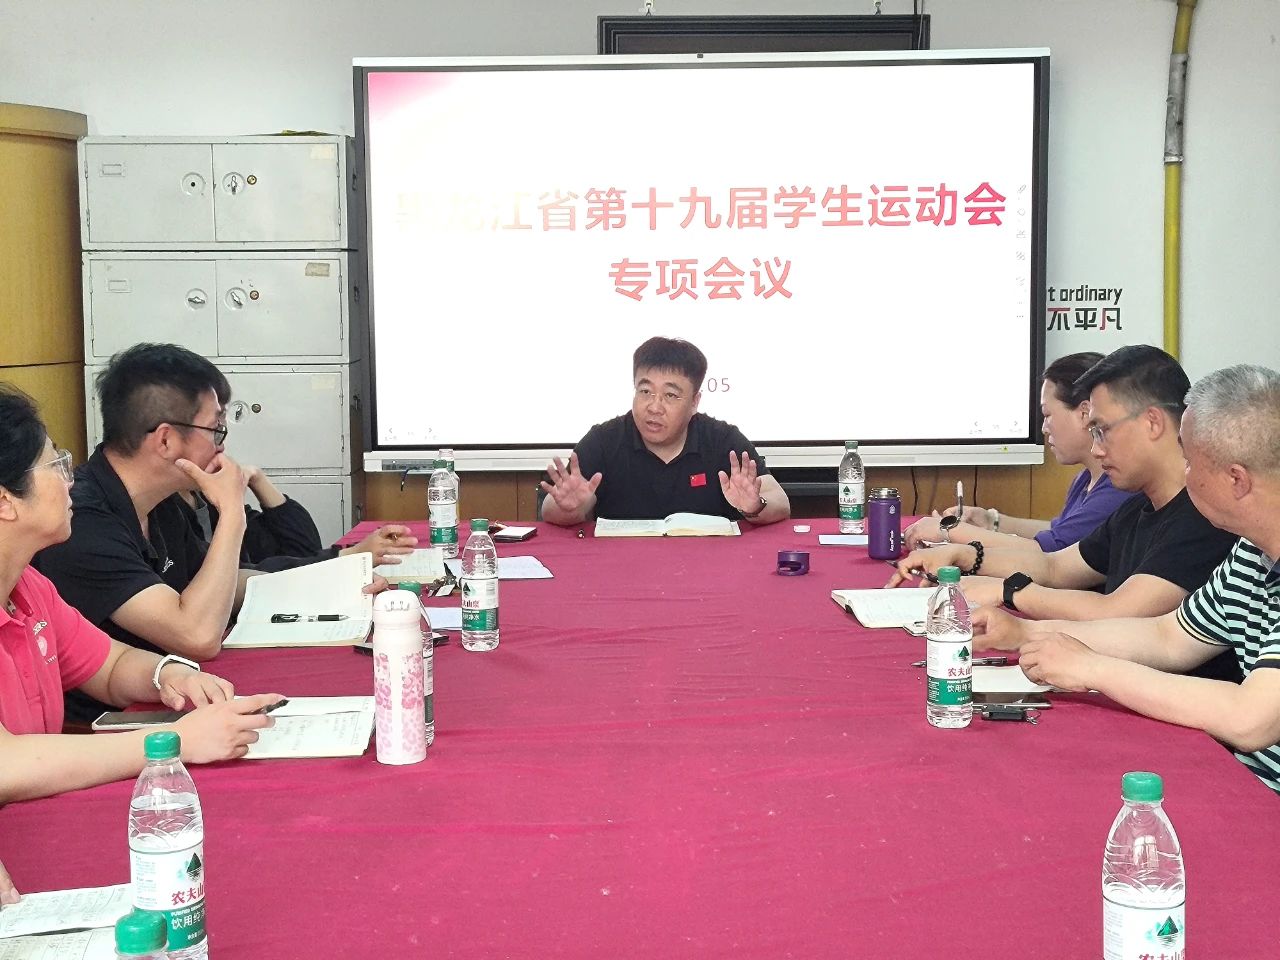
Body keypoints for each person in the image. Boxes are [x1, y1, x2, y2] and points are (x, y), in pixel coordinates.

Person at [972, 365, 1280, 795]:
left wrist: (1091, 668)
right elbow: (1167, 636)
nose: (1184, 474)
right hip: (1241, 779)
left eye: (1191, 462)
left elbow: (1250, 719)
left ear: (1237, 480)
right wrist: (1027, 634)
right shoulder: (1252, 552)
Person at [0, 383, 282, 805]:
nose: (70, 480)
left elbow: (110, 666)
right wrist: (175, 740)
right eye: (56, 466)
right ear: (5, 501)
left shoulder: (28, 588)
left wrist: (170, 674)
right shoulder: (88, 526)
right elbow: (6, 764)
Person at [886, 345, 1237, 632]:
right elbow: (1054, 566)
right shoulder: (1136, 509)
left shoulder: (1204, 519)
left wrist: (1008, 592)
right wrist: (966, 556)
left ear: (1152, 422)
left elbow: (1118, 611)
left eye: (1102, 431)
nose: (1096, 449)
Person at [540, 337, 790, 526]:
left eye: (670, 395)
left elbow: (780, 502)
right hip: (622, 567)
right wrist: (570, 509)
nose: (654, 407)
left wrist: (754, 507)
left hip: (708, 567)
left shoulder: (722, 440)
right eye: (645, 391)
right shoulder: (604, 440)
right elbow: (551, 509)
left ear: (694, 402)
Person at [903, 352, 1135, 551]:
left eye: (1047, 415)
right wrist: (992, 521)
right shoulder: (1086, 478)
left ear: (1085, 414)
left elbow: (1050, 552)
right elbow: (1059, 531)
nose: (1044, 428)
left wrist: (951, 531)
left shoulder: (1117, 487)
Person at [179, 465, 415, 572]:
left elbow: (303, 550)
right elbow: (242, 576)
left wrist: (257, 478)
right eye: (214, 430)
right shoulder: (171, 515)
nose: (221, 449)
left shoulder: (208, 500)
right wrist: (349, 556)